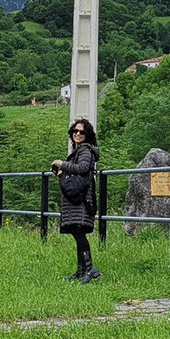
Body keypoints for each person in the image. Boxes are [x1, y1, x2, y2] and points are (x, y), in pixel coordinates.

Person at [52, 118, 101, 282]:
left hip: (81, 199)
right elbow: (76, 172)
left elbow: (82, 168)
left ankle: (90, 268)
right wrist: (61, 172)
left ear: (87, 135)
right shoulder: (78, 151)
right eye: (75, 131)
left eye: (82, 132)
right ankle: (82, 270)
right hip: (76, 199)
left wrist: (62, 164)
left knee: (79, 233)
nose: (78, 134)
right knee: (76, 232)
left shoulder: (85, 150)